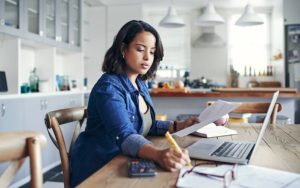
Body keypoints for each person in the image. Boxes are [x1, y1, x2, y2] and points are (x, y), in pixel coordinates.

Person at [70, 20, 199, 187]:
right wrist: (159, 154)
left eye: (152, 52)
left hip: (123, 160)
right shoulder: (108, 88)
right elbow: (125, 135)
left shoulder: (140, 84)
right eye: (140, 49)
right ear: (123, 49)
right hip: (99, 168)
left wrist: (178, 126)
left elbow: (145, 125)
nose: (147, 57)